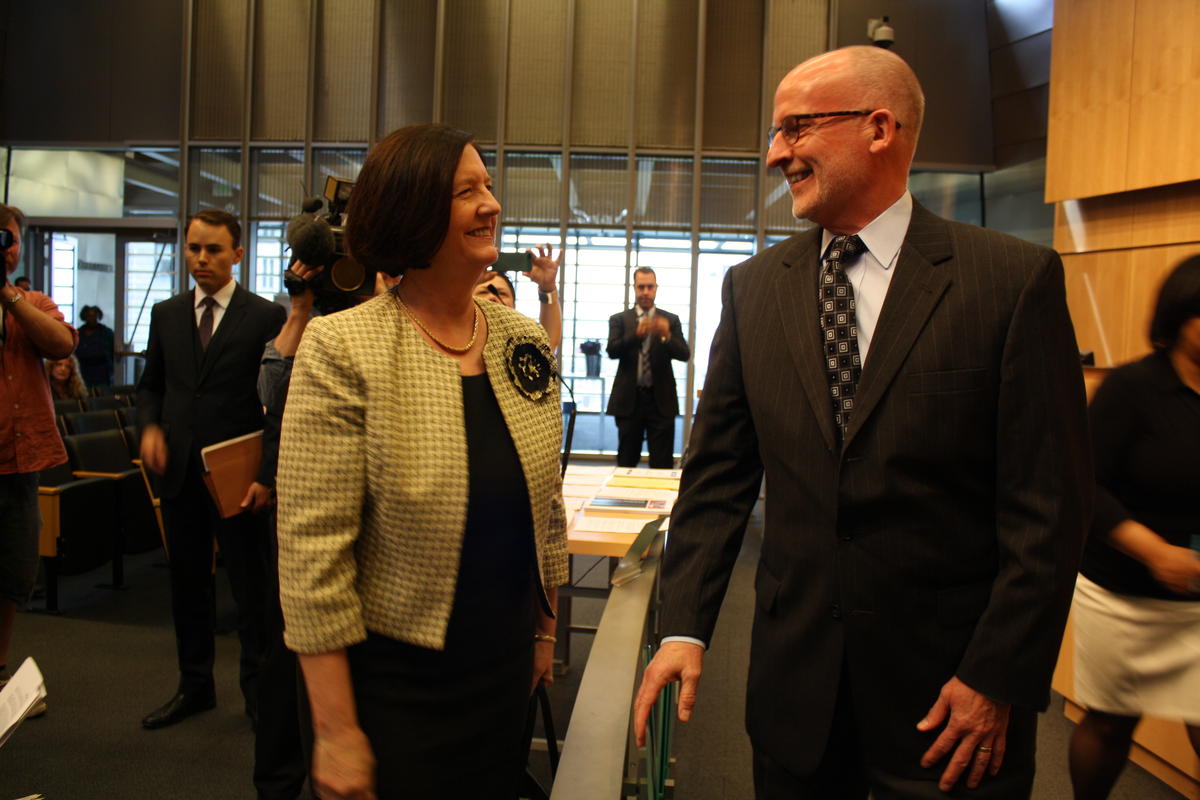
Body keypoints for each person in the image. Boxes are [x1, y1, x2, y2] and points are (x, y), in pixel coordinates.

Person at [633, 46, 1091, 799]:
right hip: (794, 699)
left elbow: (1050, 509)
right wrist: (684, 624)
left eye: (795, 128)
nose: (776, 153)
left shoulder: (1009, 283)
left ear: (879, 128)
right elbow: (718, 479)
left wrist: (996, 675)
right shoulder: (754, 291)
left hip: (951, 709)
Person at [276, 123, 568, 799]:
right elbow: (311, 555)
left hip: (500, 673)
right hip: (394, 688)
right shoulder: (343, 347)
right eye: (467, 190)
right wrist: (337, 733)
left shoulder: (520, 340)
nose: (491, 203)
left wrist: (545, 633)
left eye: (488, 186)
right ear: (412, 210)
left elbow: (545, 503)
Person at [136, 208, 286, 731]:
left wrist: (266, 474)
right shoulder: (167, 313)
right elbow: (152, 385)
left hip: (238, 473)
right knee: (187, 586)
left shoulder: (266, 316)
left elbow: (278, 405)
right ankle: (194, 685)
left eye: (214, 250)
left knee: (251, 590)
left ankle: (258, 695)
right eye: (194, 247)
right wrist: (150, 428)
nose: (201, 258)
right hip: (179, 470)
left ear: (238, 255)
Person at [1068, 256, 1200, 800]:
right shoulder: (1131, 388)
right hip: (1123, 596)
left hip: (1198, 596)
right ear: (1180, 317)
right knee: (1110, 724)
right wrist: (1153, 551)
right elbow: (1084, 488)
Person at [0, 203, 77, 714]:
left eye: (7, 239)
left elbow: (60, 344)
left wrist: (8, 297)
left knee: (11, 573)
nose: (2, 248)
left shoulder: (32, 302)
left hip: (18, 462)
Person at [606, 266, 690, 468]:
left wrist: (667, 335)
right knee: (626, 461)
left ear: (656, 288)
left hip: (661, 401)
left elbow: (684, 354)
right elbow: (612, 351)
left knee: (662, 464)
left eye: (649, 287)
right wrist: (636, 335)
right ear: (634, 288)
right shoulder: (619, 319)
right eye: (641, 287)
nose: (645, 292)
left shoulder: (670, 320)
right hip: (629, 401)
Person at [474, 244, 563, 353]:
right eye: (483, 292)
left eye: (501, 293)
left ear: (514, 305)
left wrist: (547, 287)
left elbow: (548, 342)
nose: (492, 297)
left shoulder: (520, 345)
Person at [75, 304, 116, 387]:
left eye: (95, 316)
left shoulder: (106, 332)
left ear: (99, 316)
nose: (92, 318)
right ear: (85, 317)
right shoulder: (78, 333)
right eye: (89, 316)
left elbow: (112, 350)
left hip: (102, 372)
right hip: (83, 371)